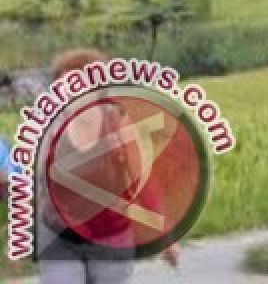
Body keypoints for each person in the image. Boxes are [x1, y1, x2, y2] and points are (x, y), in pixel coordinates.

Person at [36, 48, 181, 284]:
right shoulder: (49, 130)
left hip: (110, 237)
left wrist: (165, 236)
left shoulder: (119, 124)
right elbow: (36, 185)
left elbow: (143, 182)